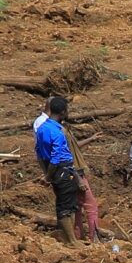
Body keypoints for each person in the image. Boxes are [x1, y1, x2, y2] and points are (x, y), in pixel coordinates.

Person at [32, 94, 88, 245]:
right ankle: (71, 241)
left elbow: (38, 151)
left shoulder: (42, 128)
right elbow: (57, 158)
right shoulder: (58, 132)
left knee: (68, 203)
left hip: (57, 170)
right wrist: (48, 176)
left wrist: (46, 173)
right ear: (63, 112)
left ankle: (70, 239)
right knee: (65, 206)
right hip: (62, 170)